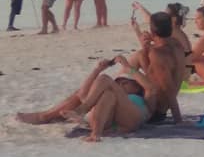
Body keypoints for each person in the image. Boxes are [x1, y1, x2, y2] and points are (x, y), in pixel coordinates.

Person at [17, 56, 157, 142]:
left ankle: (79, 111)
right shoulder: (114, 94)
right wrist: (96, 70)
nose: (121, 84)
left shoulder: (144, 99)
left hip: (133, 119)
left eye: (126, 82)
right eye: (119, 82)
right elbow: (83, 94)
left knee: (104, 80)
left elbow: (152, 88)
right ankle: (95, 133)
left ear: (137, 87)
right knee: (106, 93)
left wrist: (127, 68)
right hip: (111, 123)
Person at [126, 7, 185, 122]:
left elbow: (169, 90)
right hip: (156, 99)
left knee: (113, 85)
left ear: (153, 32)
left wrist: (178, 121)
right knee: (140, 54)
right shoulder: (176, 44)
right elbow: (153, 69)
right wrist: (138, 31)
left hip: (153, 110)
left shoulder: (158, 54)